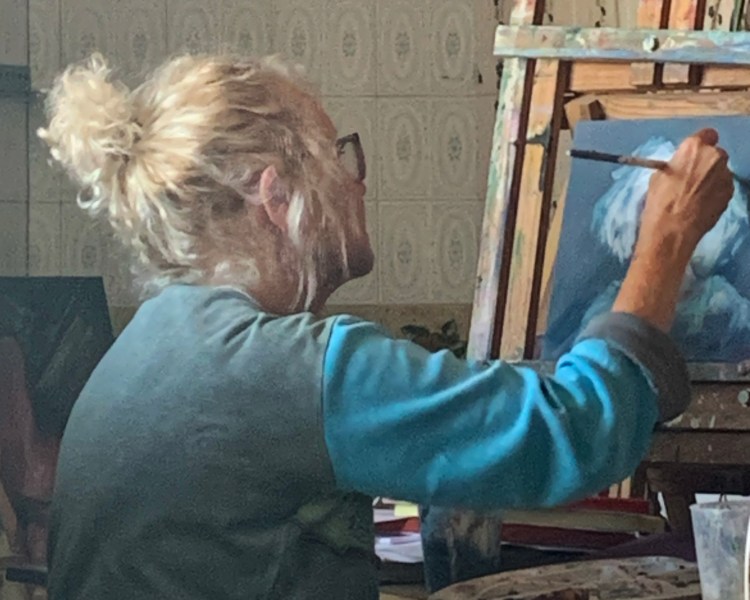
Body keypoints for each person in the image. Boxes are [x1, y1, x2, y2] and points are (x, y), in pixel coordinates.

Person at [38, 52, 733, 600]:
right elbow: (576, 430)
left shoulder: (147, 346)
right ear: (275, 194)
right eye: (338, 155)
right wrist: (667, 239)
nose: (357, 182)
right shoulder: (284, 369)